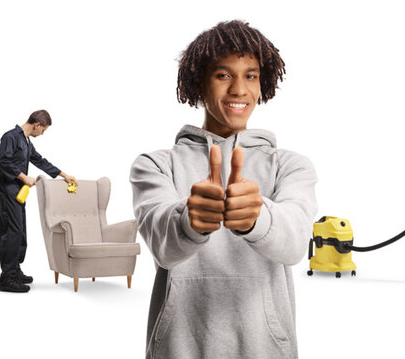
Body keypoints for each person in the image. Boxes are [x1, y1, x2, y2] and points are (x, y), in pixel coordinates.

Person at [130, 20, 317, 359]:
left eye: (251, 75)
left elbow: (295, 245)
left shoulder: (290, 165)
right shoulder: (155, 165)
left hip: (265, 347)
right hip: (180, 347)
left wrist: (258, 217)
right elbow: (162, 247)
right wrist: (189, 220)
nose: (239, 90)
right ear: (199, 82)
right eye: (223, 75)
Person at [0, 110, 76, 293]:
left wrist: (64, 175)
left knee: (21, 231)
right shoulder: (10, 137)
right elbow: (3, 161)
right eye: (44, 130)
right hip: (7, 189)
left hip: (18, 191)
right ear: (37, 125)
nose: (43, 134)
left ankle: (14, 270)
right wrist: (24, 177)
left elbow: (39, 160)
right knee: (12, 232)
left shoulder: (26, 141)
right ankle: (6, 278)